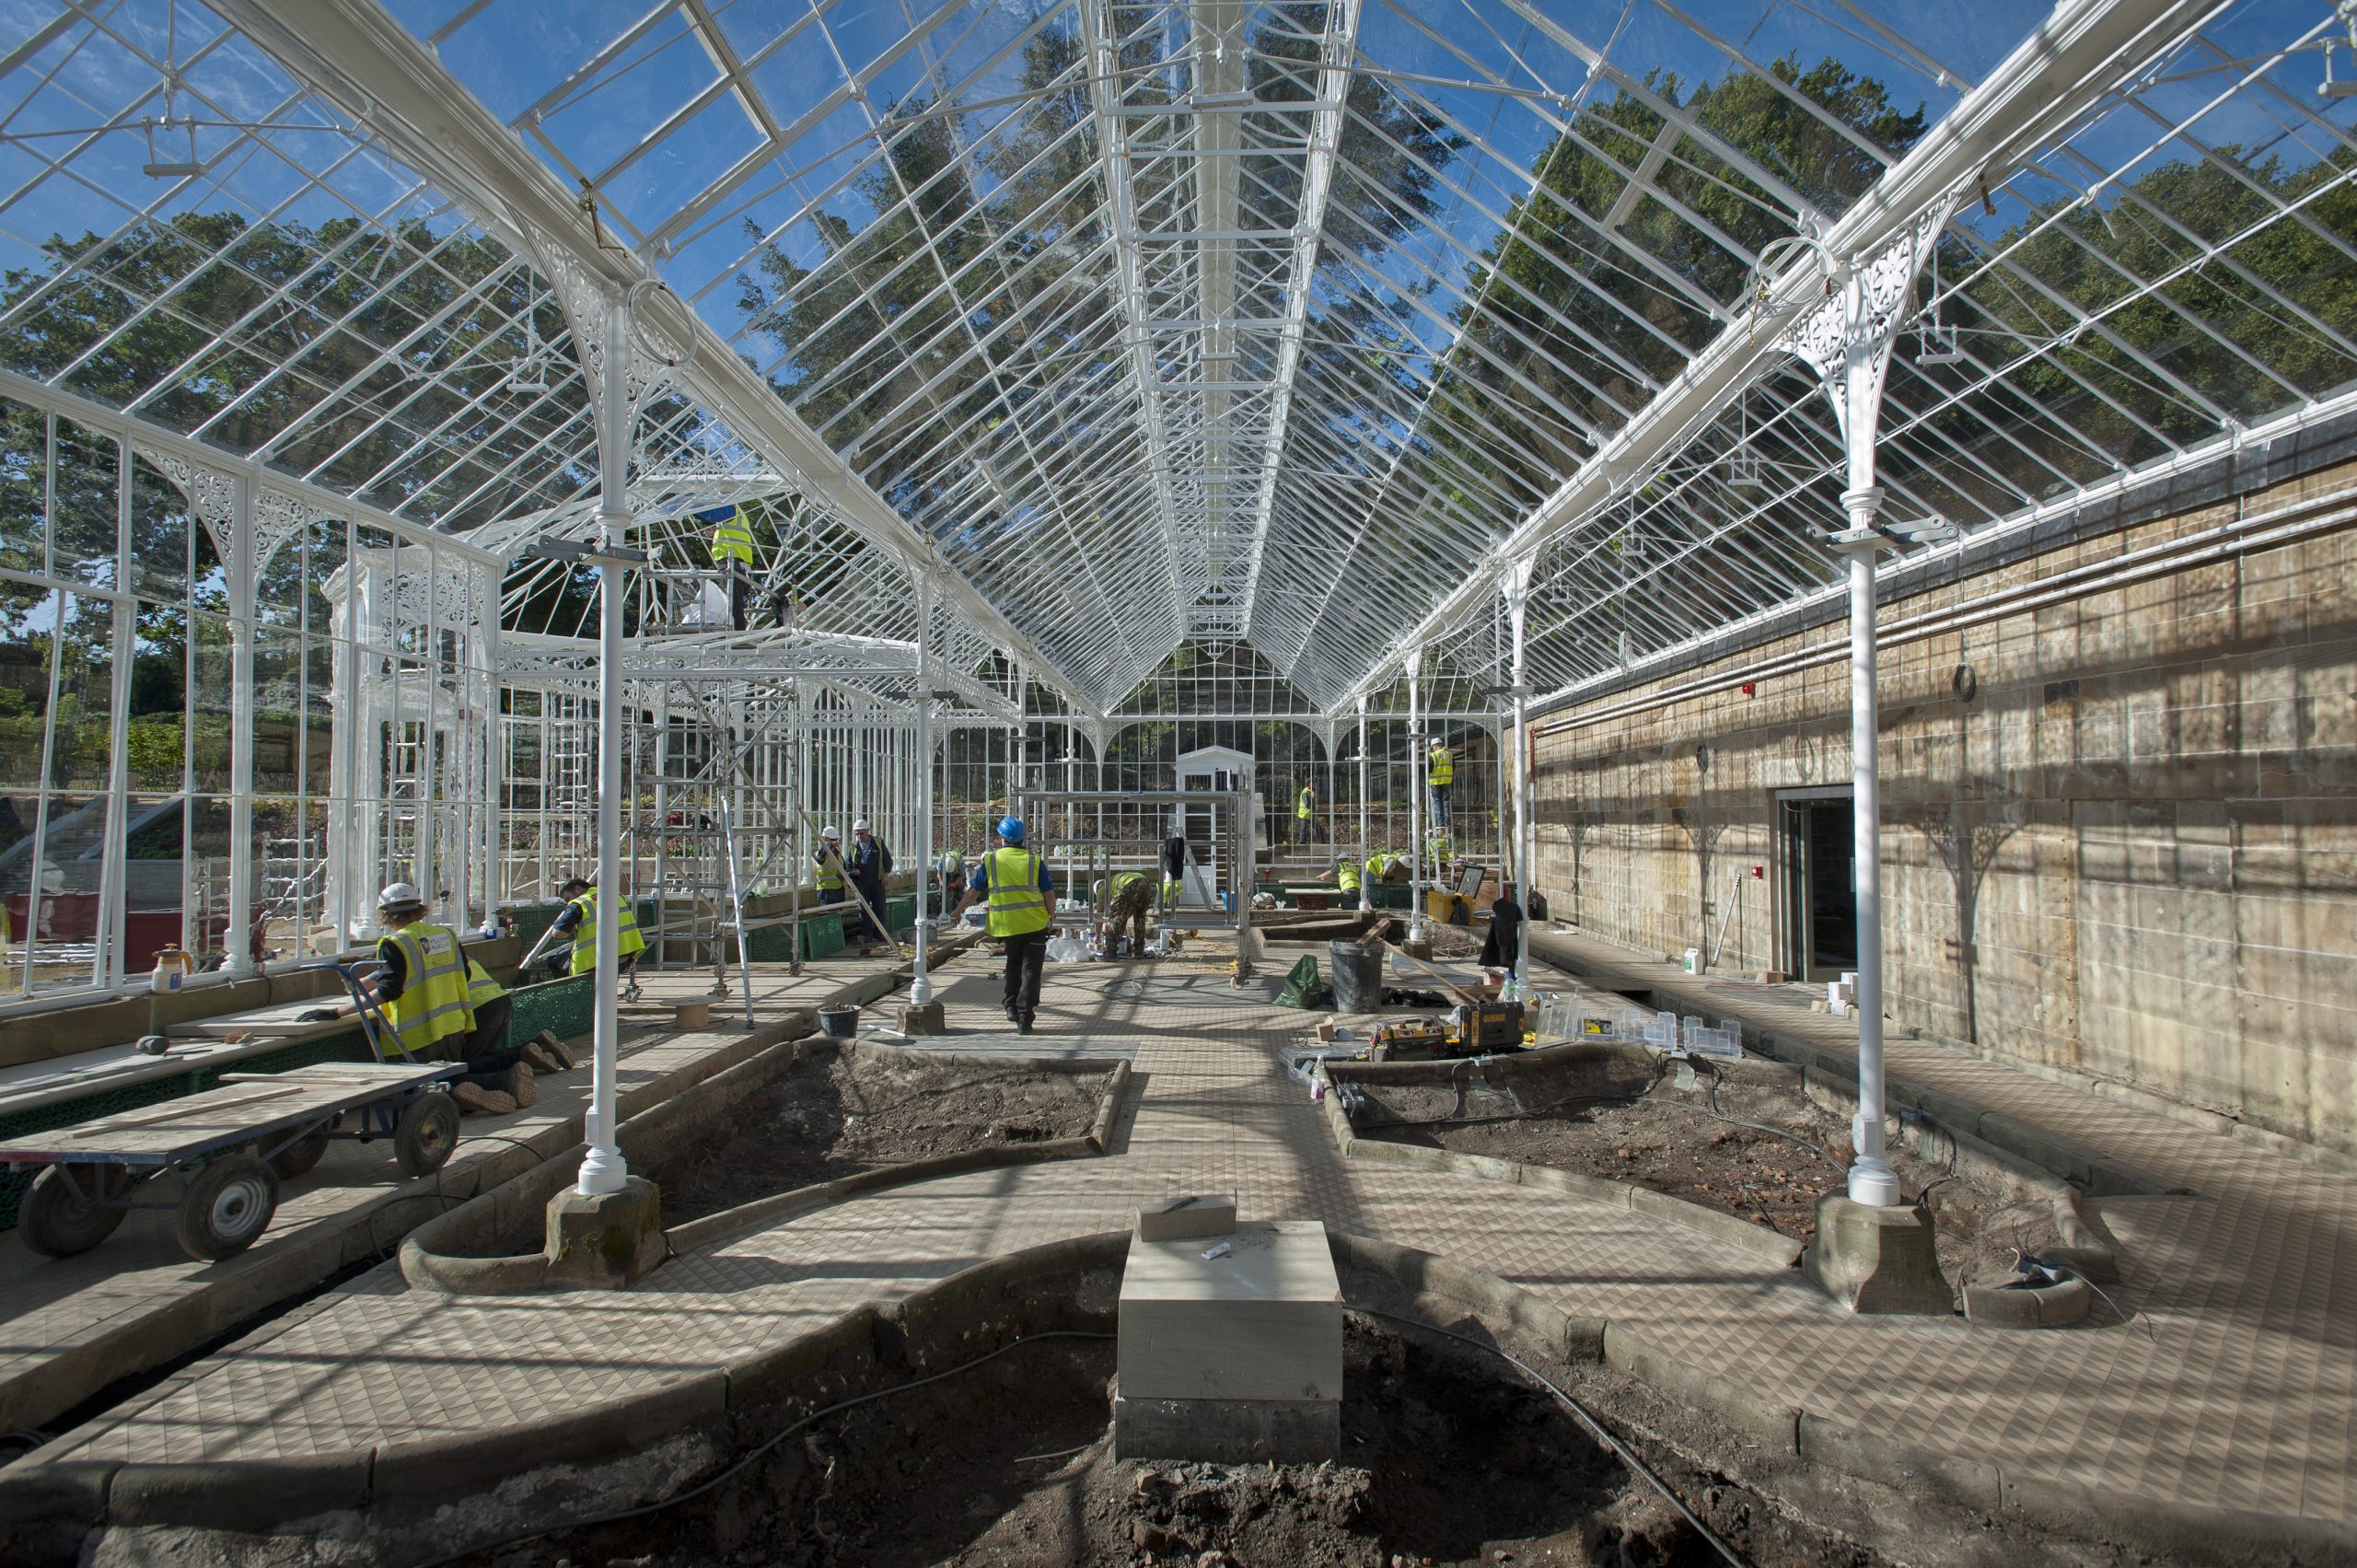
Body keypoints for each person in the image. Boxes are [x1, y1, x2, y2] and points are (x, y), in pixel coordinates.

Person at [299, 883, 507, 1114]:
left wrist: (338, 1012)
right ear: (418, 909)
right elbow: (455, 972)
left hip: (417, 1034)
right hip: (451, 1025)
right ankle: (497, 1083)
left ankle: (487, 1086)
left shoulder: (395, 943)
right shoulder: (445, 935)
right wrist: (367, 983)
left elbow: (390, 989)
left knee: (417, 1092)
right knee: (446, 1076)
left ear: (385, 914)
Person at [951, 816, 1056, 1034]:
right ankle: (1025, 1019)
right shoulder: (1034, 861)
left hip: (1008, 926)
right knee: (1031, 971)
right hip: (1035, 925)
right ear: (1022, 838)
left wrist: (958, 910)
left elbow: (973, 891)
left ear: (1002, 838)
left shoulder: (991, 861)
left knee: (1013, 964)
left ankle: (1010, 1006)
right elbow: (1048, 893)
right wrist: (1051, 915)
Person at [545, 874, 646, 1001]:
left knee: (555, 963)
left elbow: (558, 934)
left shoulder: (578, 904)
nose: (568, 902)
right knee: (605, 993)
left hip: (593, 960)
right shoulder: (617, 895)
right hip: (624, 954)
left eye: (568, 898)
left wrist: (562, 923)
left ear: (578, 889)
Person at [699, 504, 755, 632]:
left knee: (732, 598)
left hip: (731, 560)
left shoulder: (731, 510)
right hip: (738, 560)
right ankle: (737, 629)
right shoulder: (738, 514)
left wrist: (690, 506)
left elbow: (711, 513)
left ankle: (736, 630)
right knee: (734, 598)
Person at [848, 818, 893, 943]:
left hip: (877, 881)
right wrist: (853, 872)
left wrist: (886, 874)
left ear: (868, 831)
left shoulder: (877, 843)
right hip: (861, 883)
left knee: (879, 907)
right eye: (857, 834)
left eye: (861, 833)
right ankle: (867, 934)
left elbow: (888, 860)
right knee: (863, 909)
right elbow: (848, 866)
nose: (859, 836)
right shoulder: (854, 847)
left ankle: (880, 933)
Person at [1095, 869, 1153, 958]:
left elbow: (1099, 913)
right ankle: (1139, 951)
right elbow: (1126, 912)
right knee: (1140, 917)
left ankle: (1110, 951)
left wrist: (1097, 934)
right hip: (1145, 882)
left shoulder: (1101, 888)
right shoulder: (1112, 883)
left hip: (1128, 884)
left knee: (1116, 916)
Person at [1480, 881, 1527, 971]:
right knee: (1511, 956)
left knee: (1510, 955)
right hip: (1508, 938)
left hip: (1506, 939)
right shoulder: (1509, 910)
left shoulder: (1503, 913)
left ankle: (1513, 973)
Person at [812, 826, 848, 906]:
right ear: (824, 839)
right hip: (826, 891)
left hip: (839, 890)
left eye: (836, 840)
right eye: (832, 840)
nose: (835, 842)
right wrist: (829, 845)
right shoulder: (821, 853)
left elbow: (844, 869)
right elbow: (820, 859)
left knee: (838, 913)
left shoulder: (838, 854)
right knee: (828, 913)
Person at [1427, 737, 1454, 827]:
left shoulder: (1433, 755)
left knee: (1437, 801)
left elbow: (1429, 769)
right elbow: (1453, 766)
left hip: (1435, 782)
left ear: (1434, 746)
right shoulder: (1449, 754)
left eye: (1433, 747)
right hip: (1446, 781)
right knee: (1446, 801)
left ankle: (1440, 822)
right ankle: (1447, 821)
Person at [935, 847, 968, 911]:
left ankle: (962, 908)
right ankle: (940, 908)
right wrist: (941, 882)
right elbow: (939, 873)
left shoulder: (959, 860)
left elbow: (962, 875)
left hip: (957, 873)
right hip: (945, 873)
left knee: (960, 888)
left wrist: (954, 885)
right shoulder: (941, 859)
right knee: (941, 890)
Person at [1295, 780, 1318, 844]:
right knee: (1303, 828)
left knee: (1316, 827)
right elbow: (1307, 803)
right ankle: (1302, 842)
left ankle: (1322, 840)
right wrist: (1312, 797)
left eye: (1314, 783)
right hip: (1304, 814)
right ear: (1309, 784)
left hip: (1309, 814)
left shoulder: (1309, 792)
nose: (1314, 785)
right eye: (1313, 783)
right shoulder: (1305, 792)